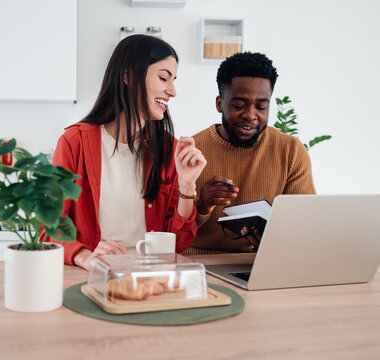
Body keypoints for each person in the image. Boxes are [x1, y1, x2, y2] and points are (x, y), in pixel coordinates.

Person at [47, 35, 207, 270]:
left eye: (173, 80)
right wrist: (84, 256)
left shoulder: (168, 149)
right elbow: (49, 227)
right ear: (128, 76)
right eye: (164, 78)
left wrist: (187, 186)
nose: (172, 91)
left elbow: (178, 244)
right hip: (96, 274)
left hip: (152, 275)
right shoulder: (75, 142)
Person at [186, 52, 316, 254]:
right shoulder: (191, 151)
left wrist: (275, 240)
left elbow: (306, 225)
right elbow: (168, 233)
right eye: (239, 105)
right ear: (220, 103)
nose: (250, 115)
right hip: (199, 263)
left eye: (261, 106)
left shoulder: (290, 151)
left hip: (262, 263)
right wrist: (202, 206)